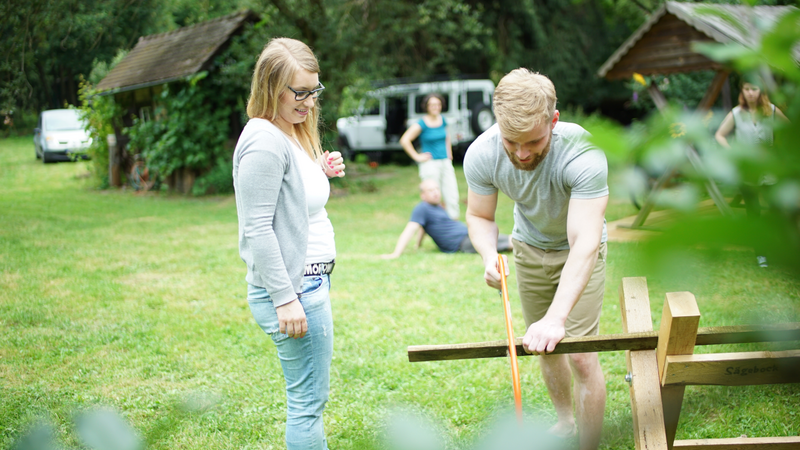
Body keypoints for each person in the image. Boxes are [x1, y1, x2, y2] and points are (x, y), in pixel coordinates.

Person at [463, 69, 608, 450]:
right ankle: (564, 421)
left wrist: (558, 317)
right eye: (512, 142)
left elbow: (585, 241)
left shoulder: (583, 152)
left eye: (534, 141)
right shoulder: (482, 152)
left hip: (578, 251)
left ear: (553, 120)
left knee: (580, 355)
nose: (522, 153)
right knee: (540, 341)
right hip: (527, 248)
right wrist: (488, 255)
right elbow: (479, 216)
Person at [232, 37, 345, 450]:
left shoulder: (288, 131)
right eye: (300, 93)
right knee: (307, 404)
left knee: (310, 399)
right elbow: (257, 227)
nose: (310, 103)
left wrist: (316, 171)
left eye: (314, 91)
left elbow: (284, 194)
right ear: (270, 87)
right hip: (296, 291)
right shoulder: (264, 142)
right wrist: (285, 299)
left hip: (308, 285)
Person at [715, 81, 788, 268]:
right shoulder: (736, 114)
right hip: (747, 172)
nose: (750, 93)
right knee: (753, 212)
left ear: (761, 91)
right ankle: (761, 254)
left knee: (777, 210)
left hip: (769, 169)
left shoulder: (770, 111)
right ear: (742, 91)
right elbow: (720, 135)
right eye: (746, 89)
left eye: (754, 89)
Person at [380, 179, 513, 259]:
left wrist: (418, 245)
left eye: (437, 189)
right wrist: (396, 253)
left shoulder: (436, 207)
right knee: (509, 241)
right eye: (431, 190)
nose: (436, 192)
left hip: (468, 234)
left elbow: (423, 228)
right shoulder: (422, 208)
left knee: (504, 238)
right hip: (461, 242)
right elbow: (411, 229)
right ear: (423, 195)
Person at [400, 93, 460, 220]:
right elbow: (405, 140)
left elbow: (447, 137)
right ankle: (434, 225)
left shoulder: (443, 120)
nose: (435, 107)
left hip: (445, 163)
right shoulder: (422, 123)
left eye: (438, 104)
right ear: (426, 107)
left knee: (452, 196)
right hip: (430, 165)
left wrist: (449, 154)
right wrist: (417, 157)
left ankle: (453, 227)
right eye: (432, 105)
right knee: (433, 198)